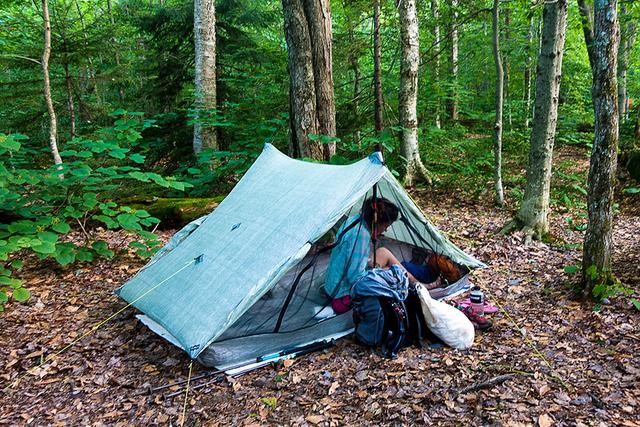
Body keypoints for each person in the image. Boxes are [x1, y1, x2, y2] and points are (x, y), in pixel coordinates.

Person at [324, 197, 418, 314]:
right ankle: (419, 286)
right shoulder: (361, 235)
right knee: (394, 273)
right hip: (342, 295)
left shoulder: (354, 220)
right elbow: (355, 279)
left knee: (383, 252)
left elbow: (350, 259)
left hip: (331, 286)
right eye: (386, 225)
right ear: (376, 222)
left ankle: (417, 283)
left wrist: (371, 265)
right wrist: (381, 272)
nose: (386, 229)